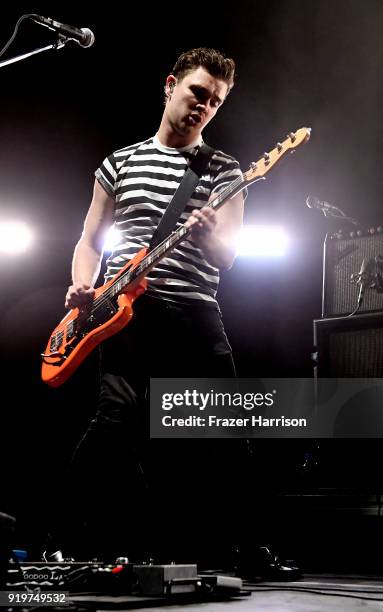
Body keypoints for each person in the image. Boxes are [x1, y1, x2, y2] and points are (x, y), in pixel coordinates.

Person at [48, 47, 301, 578]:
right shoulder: (119, 163)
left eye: (215, 102)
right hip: (123, 315)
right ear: (170, 85)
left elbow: (228, 257)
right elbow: (89, 241)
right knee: (113, 424)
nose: (204, 107)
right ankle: (70, 540)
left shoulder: (227, 170)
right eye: (197, 94)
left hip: (192, 312)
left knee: (223, 431)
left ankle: (246, 547)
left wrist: (211, 235)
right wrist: (81, 286)